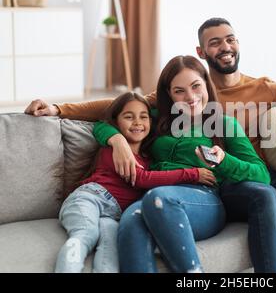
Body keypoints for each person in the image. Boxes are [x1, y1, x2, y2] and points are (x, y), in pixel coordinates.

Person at [25, 18, 276, 272]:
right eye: (215, 41)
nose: (225, 46)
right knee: (135, 222)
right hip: (199, 188)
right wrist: (70, 113)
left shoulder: (260, 92)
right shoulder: (166, 104)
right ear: (202, 51)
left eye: (229, 38)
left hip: (241, 178)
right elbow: (114, 110)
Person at [94, 55, 276, 272]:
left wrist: (224, 161)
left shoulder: (224, 124)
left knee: (158, 198)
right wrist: (117, 141)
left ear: (206, 84)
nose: (190, 97)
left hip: (202, 201)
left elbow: (262, 175)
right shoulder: (155, 119)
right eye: (179, 91)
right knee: (130, 222)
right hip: (151, 195)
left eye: (196, 86)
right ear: (169, 95)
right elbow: (103, 121)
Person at [55, 92, 209, 272]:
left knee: (110, 250)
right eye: (129, 117)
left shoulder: (148, 159)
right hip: (89, 198)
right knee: (86, 234)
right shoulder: (113, 149)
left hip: (113, 215)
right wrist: (192, 174)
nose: (137, 122)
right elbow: (142, 179)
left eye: (144, 117)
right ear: (116, 122)